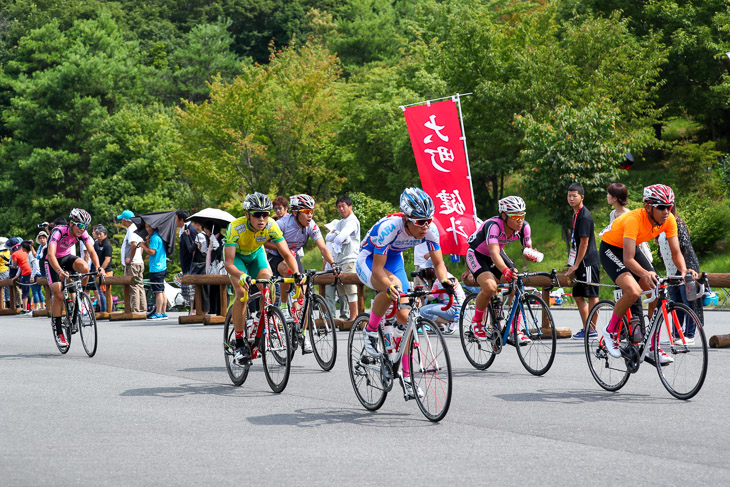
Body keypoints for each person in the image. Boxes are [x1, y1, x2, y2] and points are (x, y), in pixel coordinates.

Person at [357, 187, 455, 399]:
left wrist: (445, 281)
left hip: (395, 260)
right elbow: (377, 270)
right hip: (369, 260)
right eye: (420, 221)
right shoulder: (389, 227)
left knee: (406, 316)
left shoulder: (430, 229)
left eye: (428, 220)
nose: (425, 225)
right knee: (392, 287)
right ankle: (371, 329)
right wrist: (389, 287)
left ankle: (407, 377)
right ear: (407, 218)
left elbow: (439, 263)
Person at [598, 184, 697, 366]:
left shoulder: (669, 220)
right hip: (611, 248)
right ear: (648, 207)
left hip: (630, 248)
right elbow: (628, 260)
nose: (666, 211)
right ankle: (610, 331)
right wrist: (645, 273)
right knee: (634, 291)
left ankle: (652, 345)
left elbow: (676, 252)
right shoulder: (634, 219)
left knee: (657, 292)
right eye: (661, 207)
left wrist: (683, 270)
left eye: (669, 206)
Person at [225, 192, 301, 365]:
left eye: (265, 214)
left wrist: (296, 273)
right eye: (257, 214)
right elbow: (229, 263)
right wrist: (242, 275)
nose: (261, 219)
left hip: (256, 256)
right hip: (237, 260)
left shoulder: (271, 226)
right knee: (242, 293)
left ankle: (260, 319)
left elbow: (287, 254)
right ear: (247, 214)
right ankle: (238, 344)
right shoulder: (235, 227)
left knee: (270, 287)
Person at [266, 193, 338, 353]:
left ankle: (302, 335)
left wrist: (333, 264)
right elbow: (265, 241)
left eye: (311, 210)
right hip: (276, 256)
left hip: (293, 256)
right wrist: (281, 248)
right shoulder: (283, 223)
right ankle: (284, 306)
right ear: (295, 212)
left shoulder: (311, 225)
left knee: (304, 298)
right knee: (288, 269)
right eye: (306, 211)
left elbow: (323, 247)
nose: (310, 214)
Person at [464, 196, 542, 344]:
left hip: (497, 254)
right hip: (477, 254)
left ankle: (514, 329)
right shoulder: (494, 225)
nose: (520, 220)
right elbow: (493, 252)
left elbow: (526, 249)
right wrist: (505, 270)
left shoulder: (524, 227)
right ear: (504, 216)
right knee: (490, 287)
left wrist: (530, 254)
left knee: (516, 282)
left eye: (522, 215)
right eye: (516, 216)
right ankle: (477, 323)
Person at [46, 209, 104, 347]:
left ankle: (80, 295)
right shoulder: (58, 231)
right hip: (52, 261)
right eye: (80, 226)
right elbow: (51, 254)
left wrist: (98, 267)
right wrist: (59, 271)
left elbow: (91, 251)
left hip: (66, 257)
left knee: (85, 268)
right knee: (59, 293)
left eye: (86, 227)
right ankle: (59, 330)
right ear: (71, 223)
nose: (82, 229)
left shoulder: (83, 233)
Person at [657, 204, 702, 344]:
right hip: (671, 271)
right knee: (675, 304)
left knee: (687, 302)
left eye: (666, 206)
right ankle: (676, 334)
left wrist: (686, 270)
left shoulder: (678, 224)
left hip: (685, 268)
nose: (664, 210)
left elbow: (685, 249)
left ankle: (689, 335)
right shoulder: (660, 225)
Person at [565, 183, 600, 340]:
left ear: (582, 197)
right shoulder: (575, 214)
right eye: (569, 195)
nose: (571, 198)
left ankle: (592, 329)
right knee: (578, 295)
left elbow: (584, 243)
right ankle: (587, 328)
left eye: (574, 195)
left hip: (588, 262)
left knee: (592, 295)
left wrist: (577, 264)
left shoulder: (584, 216)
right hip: (579, 261)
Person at [325, 195, 361, 321]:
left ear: (350, 206)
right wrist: (338, 234)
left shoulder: (352, 221)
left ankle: (354, 317)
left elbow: (338, 238)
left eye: (343, 206)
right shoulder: (341, 222)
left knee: (351, 290)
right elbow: (327, 238)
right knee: (343, 291)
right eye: (339, 207)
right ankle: (351, 317)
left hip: (350, 259)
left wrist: (337, 234)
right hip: (339, 261)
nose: (341, 209)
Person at [607, 182, 653, 264]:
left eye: (609, 194)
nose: (607, 196)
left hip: (633, 253)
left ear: (615, 198)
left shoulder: (629, 216)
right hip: (619, 252)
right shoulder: (612, 214)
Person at [418, 263, 466, 335]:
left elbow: (430, 298)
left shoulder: (439, 281)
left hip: (454, 311)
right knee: (435, 304)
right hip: (463, 309)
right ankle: (439, 326)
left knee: (423, 311)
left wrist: (423, 283)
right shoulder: (449, 275)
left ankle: (450, 322)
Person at [118, 210, 146, 314]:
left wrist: (130, 258)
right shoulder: (138, 228)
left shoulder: (131, 230)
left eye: (122, 220)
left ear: (126, 220)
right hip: (139, 261)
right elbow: (142, 243)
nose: (121, 222)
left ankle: (135, 310)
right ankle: (143, 308)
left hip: (133, 263)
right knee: (139, 285)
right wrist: (139, 255)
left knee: (133, 286)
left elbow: (134, 245)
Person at [139, 222, 167, 320]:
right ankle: (163, 312)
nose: (147, 229)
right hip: (162, 266)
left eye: (149, 226)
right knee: (162, 290)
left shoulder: (155, 238)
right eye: (146, 227)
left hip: (156, 268)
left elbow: (152, 252)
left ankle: (158, 313)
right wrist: (147, 242)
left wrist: (143, 246)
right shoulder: (158, 236)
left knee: (158, 291)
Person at [177, 210, 198, 314]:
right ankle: (191, 308)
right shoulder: (184, 229)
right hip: (185, 263)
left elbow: (194, 249)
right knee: (187, 289)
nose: (175, 221)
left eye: (176, 219)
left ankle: (193, 309)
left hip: (190, 264)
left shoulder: (191, 230)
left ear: (181, 219)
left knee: (191, 288)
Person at [93, 225, 113, 313]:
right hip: (98, 270)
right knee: (100, 292)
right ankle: (103, 309)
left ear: (105, 235)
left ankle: (109, 310)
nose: (98, 236)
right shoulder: (96, 244)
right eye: (97, 234)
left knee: (106, 292)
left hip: (106, 271)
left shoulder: (107, 245)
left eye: (100, 234)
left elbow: (107, 259)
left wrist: (101, 269)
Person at [11, 240, 33, 314]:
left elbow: (15, 265)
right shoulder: (27, 253)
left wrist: (11, 266)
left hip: (26, 273)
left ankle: (25, 309)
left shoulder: (14, 254)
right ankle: (28, 307)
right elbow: (21, 265)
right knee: (28, 291)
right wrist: (17, 276)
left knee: (25, 291)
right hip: (28, 272)